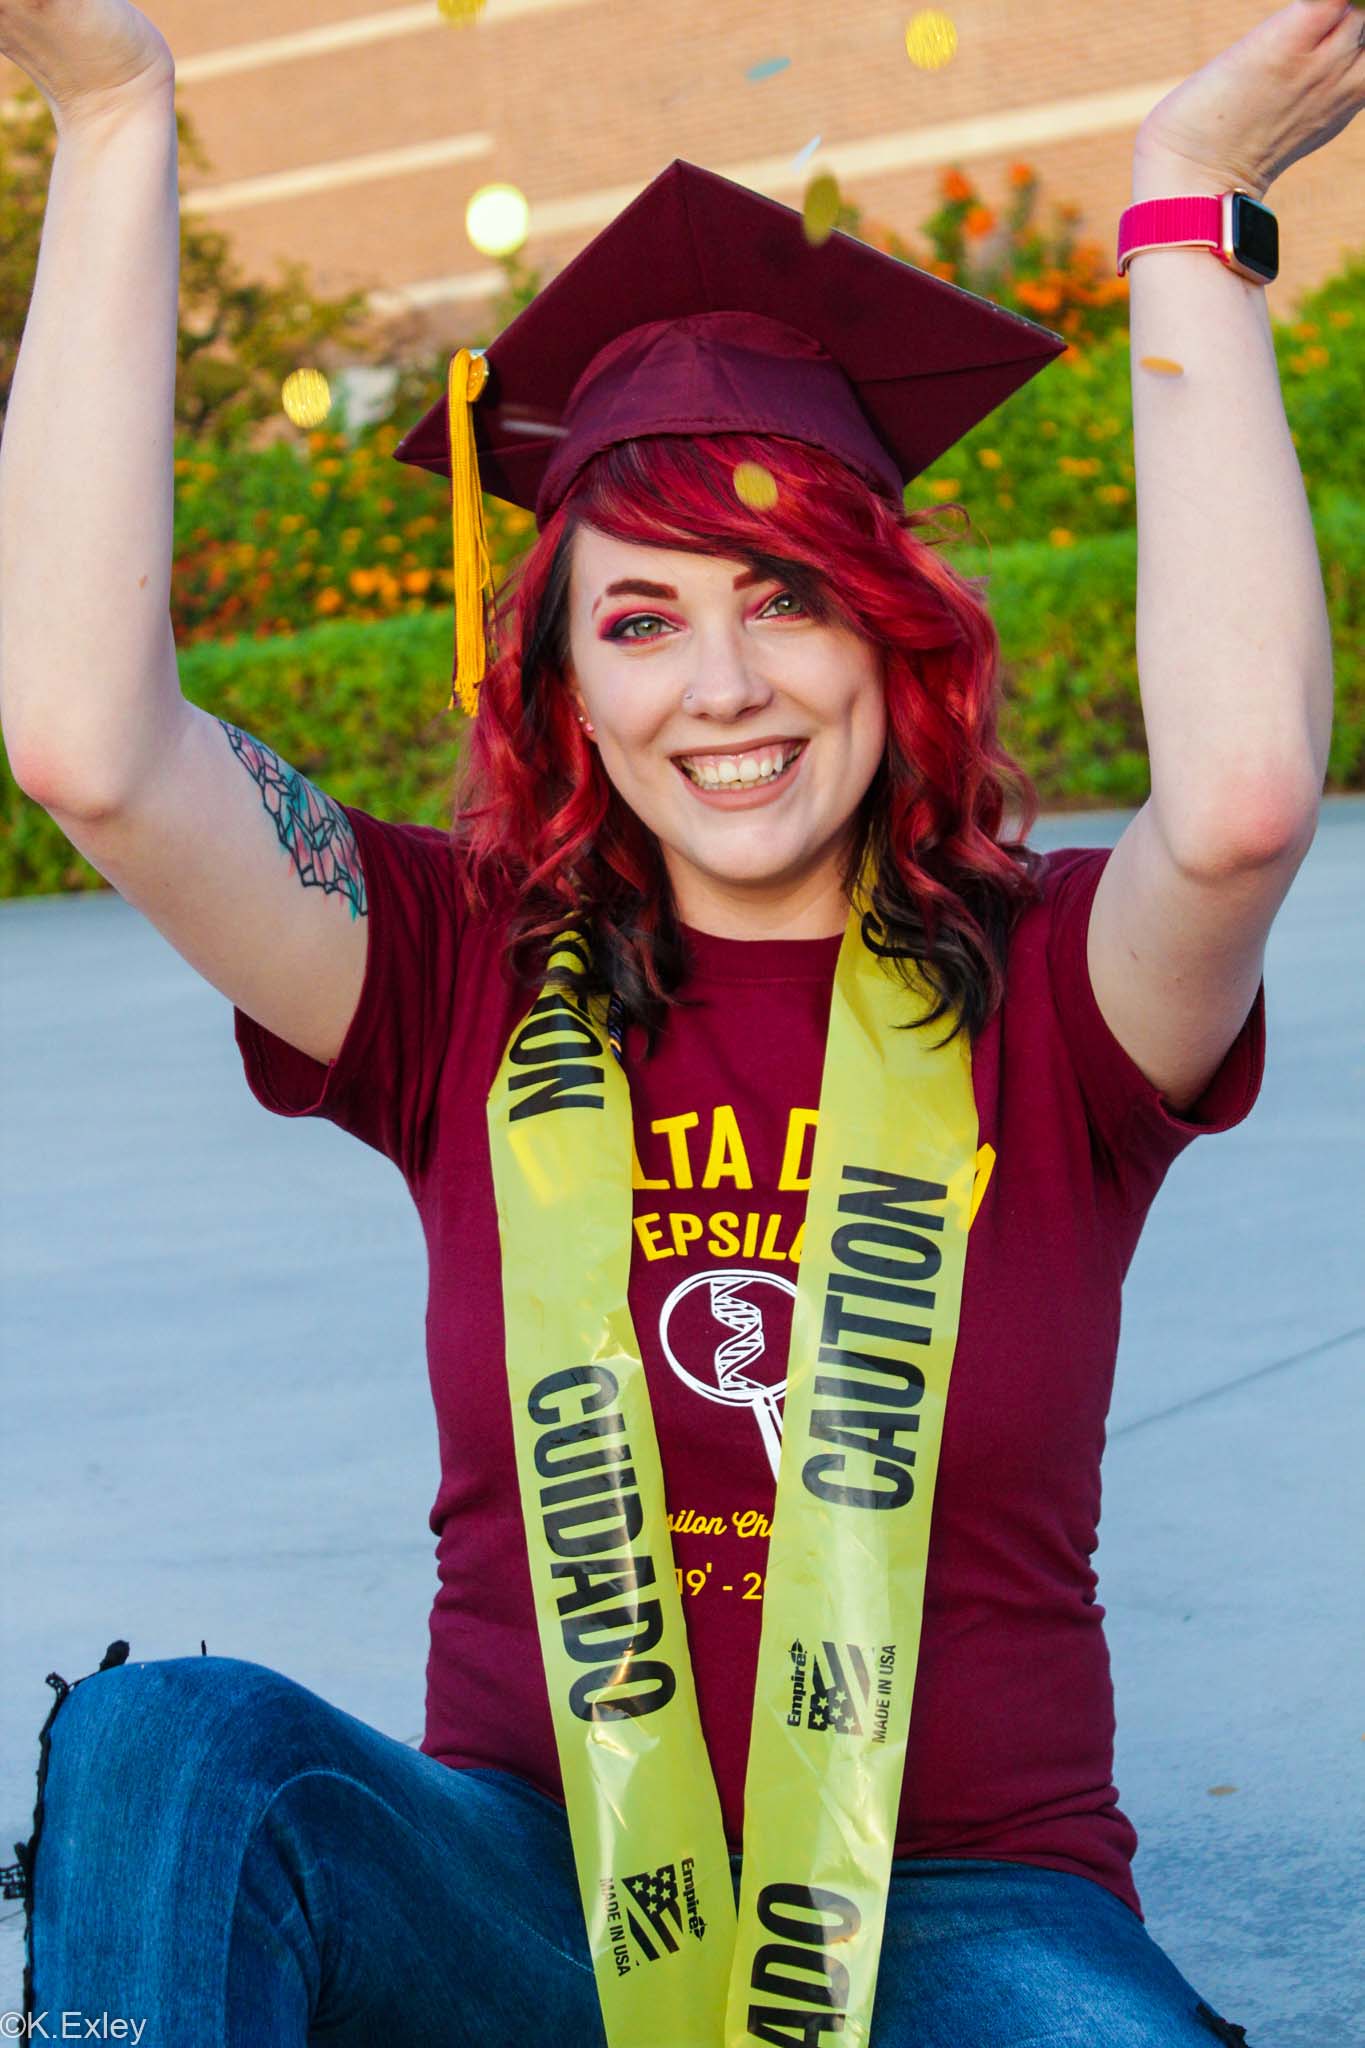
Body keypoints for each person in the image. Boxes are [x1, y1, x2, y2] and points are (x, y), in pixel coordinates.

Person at [6, 0, 1355, 2040]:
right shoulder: (457, 971)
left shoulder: (1055, 996)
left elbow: (1244, 801)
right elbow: (95, 752)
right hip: (527, 1894)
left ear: (891, 640)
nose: (719, 684)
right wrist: (119, 113)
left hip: (957, 1921)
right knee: (166, 1749)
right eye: (640, 617)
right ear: (565, 683)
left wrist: (1183, 211)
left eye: (784, 595)